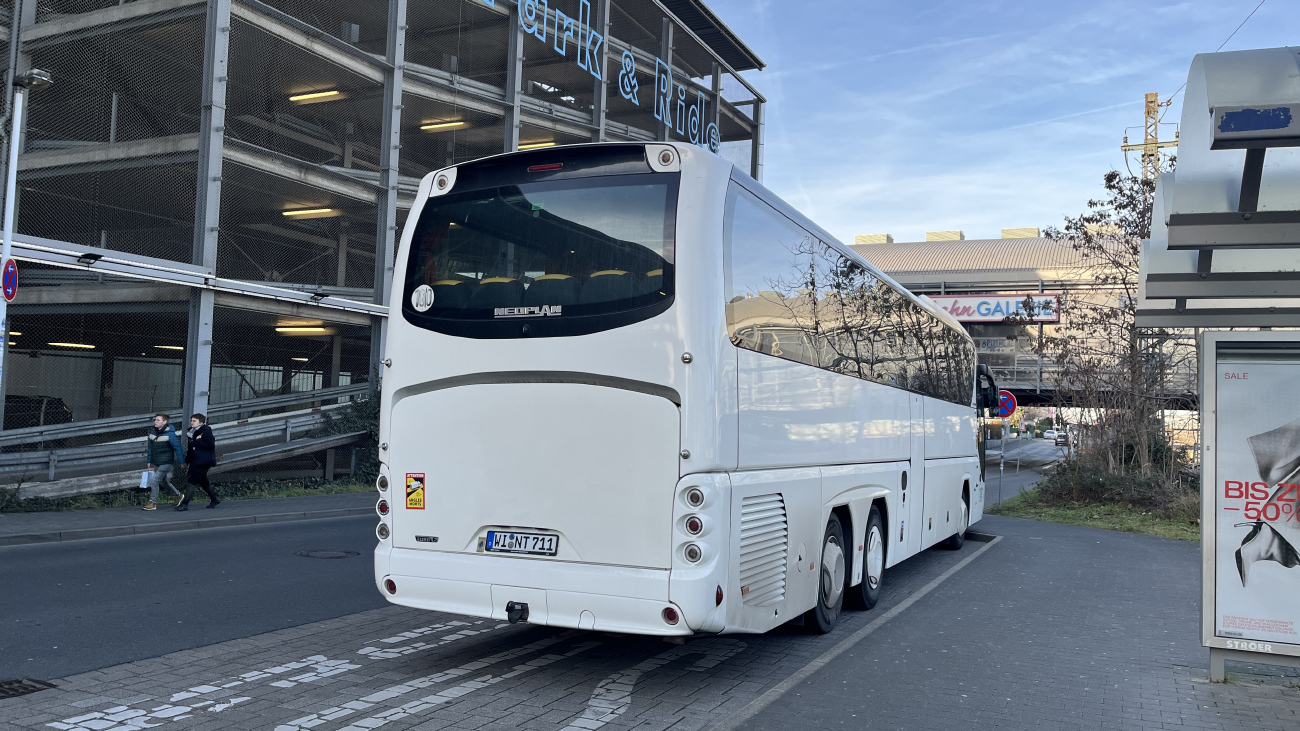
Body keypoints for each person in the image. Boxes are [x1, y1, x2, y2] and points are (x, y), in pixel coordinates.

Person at [176, 413, 219, 511]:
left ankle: (185, 504)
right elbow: (191, 449)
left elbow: (210, 445)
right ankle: (214, 499)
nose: (192, 422)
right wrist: (187, 461)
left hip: (204, 461)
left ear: (201, 422)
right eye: (191, 420)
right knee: (202, 480)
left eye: (194, 421)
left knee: (192, 480)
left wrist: (198, 441)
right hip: (196, 460)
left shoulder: (205, 430)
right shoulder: (191, 432)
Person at [142, 413, 184, 510]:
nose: (155, 422)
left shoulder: (171, 435)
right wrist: (149, 460)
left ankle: (152, 502)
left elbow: (178, 448)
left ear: (164, 422)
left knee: (154, 481)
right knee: (164, 482)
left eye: (158, 420)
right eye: (155, 420)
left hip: (167, 462)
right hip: (156, 461)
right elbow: (150, 448)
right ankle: (178, 495)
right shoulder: (152, 433)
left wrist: (182, 462)